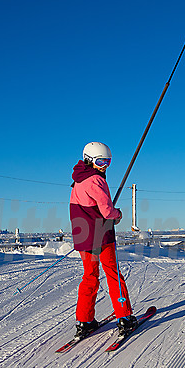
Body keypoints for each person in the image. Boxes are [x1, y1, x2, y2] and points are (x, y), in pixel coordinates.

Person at [69, 141, 137, 338]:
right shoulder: (96, 180)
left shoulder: (77, 181)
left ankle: (84, 321)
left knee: (90, 276)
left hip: (84, 238)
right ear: (90, 160)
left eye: (108, 162)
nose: (104, 166)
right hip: (101, 237)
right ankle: (124, 318)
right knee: (113, 274)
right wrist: (118, 215)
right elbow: (107, 211)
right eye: (101, 161)